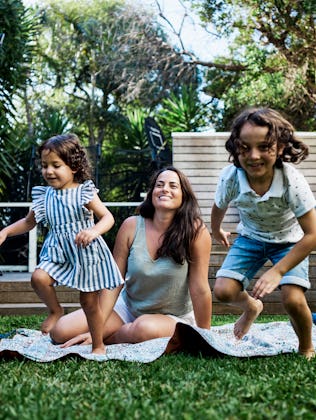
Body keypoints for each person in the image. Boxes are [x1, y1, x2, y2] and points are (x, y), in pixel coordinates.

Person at [50, 166, 212, 347]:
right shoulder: (131, 226)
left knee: (144, 329)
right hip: (127, 308)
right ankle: (116, 333)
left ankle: (113, 338)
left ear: (184, 196)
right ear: (152, 193)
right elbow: (115, 282)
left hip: (172, 316)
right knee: (61, 331)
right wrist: (98, 326)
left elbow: (200, 288)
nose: (165, 189)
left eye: (173, 186)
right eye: (159, 185)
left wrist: (204, 335)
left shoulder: (196, 232)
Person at [0, 134, 123, 355]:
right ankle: (55, 311)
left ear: (74, 167)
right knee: (38, 277)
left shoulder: (84, 192)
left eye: (56, 165)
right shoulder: (44, 196)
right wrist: (6, 231)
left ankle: (98, 345)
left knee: (89, 302)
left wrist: (93, 231)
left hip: (85, 252)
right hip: (57, 251)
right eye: (45, 166)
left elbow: (108, 218)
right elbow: (29, 222)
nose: (49, 171)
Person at [211, 107, 316, 359]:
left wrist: (278, 271)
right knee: (223, 290)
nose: (253, 156)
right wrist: (216, 230)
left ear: (280, 147)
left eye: (264, 147)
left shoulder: (292, 181)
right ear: (236, 148)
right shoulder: (231, 178)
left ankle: (306, 346)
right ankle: (251, 308)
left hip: (289, 242)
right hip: (250, 238)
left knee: (292, 299)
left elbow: (312, 234)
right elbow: (219, 206)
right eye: (245, 148)